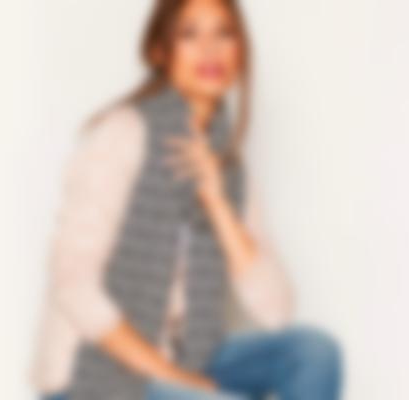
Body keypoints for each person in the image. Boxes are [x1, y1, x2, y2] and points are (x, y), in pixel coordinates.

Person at [31, 1, 342, 399]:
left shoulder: (229, 167)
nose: (210, 49)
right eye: (189, 35)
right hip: (98, 371)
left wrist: (218, 202)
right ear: (159, 52)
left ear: (240, 51)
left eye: (224, 34)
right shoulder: (122, 134)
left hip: (190, 357)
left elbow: (276, 312)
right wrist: (174, 378)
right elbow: (72, 282)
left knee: (314, 353)